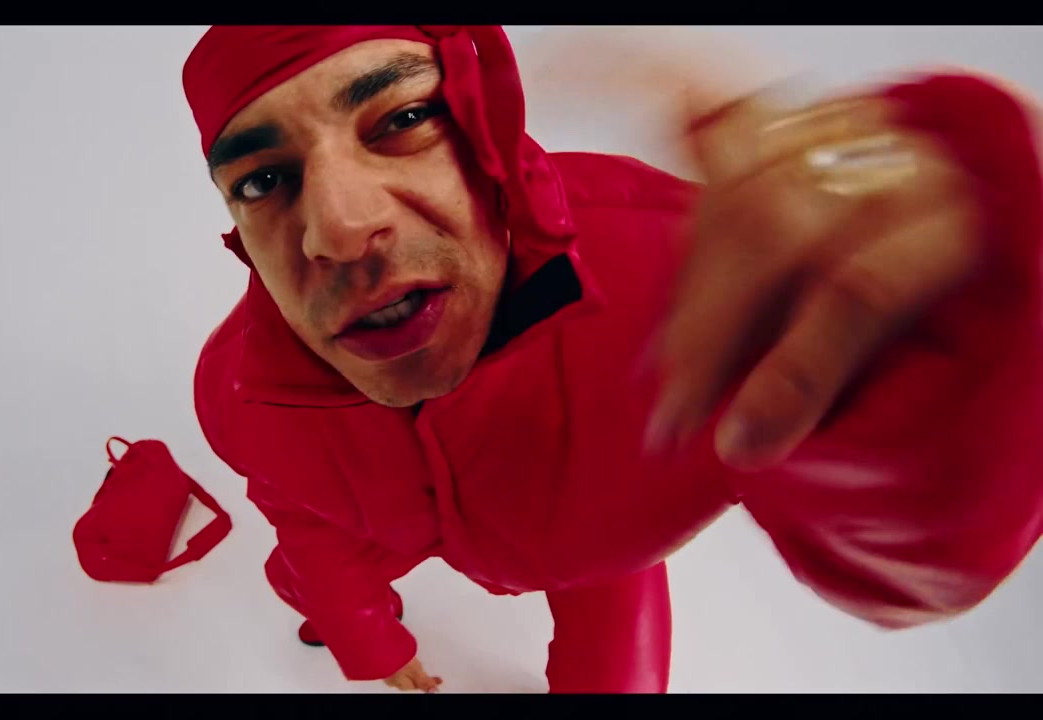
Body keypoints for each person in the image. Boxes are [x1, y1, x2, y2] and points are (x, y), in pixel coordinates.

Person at [181, 25, 1043, 693]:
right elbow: (309, 528)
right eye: (262, 179)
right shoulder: (241, 395)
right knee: (315, 574)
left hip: (590, 543)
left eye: (404, 119)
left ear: (485, 125)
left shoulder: (686, 277)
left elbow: (912, 529)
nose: (336, 229)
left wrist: (968, 334)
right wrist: (369, 644)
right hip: (385, 520)